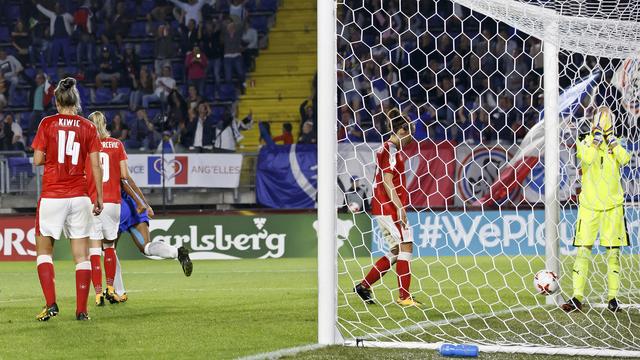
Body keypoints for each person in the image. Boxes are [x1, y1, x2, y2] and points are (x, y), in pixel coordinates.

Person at [32, 77, 104, 321]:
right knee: (81, 256)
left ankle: (51, 304)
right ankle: (82, 311)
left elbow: (37, 160)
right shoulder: (88, 127)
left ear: (56, 101)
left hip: (53, 195)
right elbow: (96, 165)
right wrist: (99, 197)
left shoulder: (47, 123)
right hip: (80, 196)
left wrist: (52, 156)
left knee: (44, 251)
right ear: (76, 101)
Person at [562, 107, 631, 313]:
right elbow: (588, 159)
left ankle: (613, 298)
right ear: (593, 122)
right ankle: (576, 297)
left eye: (608, 119)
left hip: (613, 207)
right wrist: (597, 139)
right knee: (583, 251)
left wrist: (611, 142)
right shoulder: (583, 141)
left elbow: (625, 159)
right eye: (601, 120)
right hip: (589, 206)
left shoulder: (617, 141)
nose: (605, 123)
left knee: (613, 254)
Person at [354, 108, 420, 307]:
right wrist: (399, 208)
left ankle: (364, 286)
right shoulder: (390, 149)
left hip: (381, 206)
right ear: (401, 131)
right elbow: (387, 180)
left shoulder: (388, 149)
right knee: (406, 245)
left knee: (396, 249)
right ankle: (404, 296)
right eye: (410, 132)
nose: (412, 137)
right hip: (389, 206)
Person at [107, 170, 193, 302]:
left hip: (116, 207)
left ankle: (118, 291)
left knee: (109, 250)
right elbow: (128, 180)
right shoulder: (117, 151)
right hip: (134, 206)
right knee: (146, 247)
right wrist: (144, 204)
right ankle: (177, 252)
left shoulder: (95, 157)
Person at [84, 111, 125, 306]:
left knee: (94, 250)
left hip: (93, 202)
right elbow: (124, 174)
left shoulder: (86, 147)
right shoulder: (117, 144)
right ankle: (111, 289)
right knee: (109, 247)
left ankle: (98, 294)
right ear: (105, 124)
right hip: (113, 202)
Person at [36, 2, 74, 68]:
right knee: (55, 55)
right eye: (56, 7)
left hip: (65, 38)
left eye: (58, 7)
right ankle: (54, 68)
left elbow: (73, 20)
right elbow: (44, 10)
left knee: (67, 54)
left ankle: (69, 68)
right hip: (56, 38)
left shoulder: (67, 15)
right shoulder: (52, 15)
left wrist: (71, 28)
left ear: (61, 7)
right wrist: (37, 4)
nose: (57, 8)